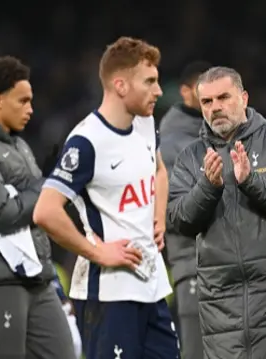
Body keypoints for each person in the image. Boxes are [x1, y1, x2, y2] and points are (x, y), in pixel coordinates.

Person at [33, 36, 178, 359]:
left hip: (151, 288)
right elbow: (46, 211)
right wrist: (97, 253)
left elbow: (159, 171)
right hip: (109, 294)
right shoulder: (86, 142)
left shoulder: (144, 122)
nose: (158, 90)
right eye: (150, 82)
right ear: (121, 85)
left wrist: (159, 215)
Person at [0, 56, 76, 359]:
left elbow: (27, 207)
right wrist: (45, 186)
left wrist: (31, 192)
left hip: (38, 275)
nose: (30, 108)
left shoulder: (19, 146)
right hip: (0, 278)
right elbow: (3, 214)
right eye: (22, 100)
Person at [167, 66, 266, 359]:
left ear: (244, 98)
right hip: (220, 303)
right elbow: (178, 220)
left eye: (223, 98)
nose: (216, 108)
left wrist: (252, 182)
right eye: (207, 102)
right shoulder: (190, 157)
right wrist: (207, 188)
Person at [159, 60, 211, 359]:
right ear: (185, 92)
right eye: (204, 92)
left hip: (228, 267)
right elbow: (172, 214)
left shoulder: (220, 134)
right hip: (193, 267)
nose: (212, 102)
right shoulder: (169, 144)